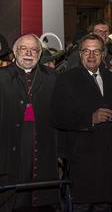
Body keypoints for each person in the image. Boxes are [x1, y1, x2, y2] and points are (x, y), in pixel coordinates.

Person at [51, 34, 112, 212]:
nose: (91, 56)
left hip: (108, 159)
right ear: (80, 54)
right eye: (86, 51)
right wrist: (90, 119)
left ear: (103, 54)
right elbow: (57, 116)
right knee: (81, 206)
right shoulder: (66, 79)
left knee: (105, 205)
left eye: (96, 51)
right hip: (81, 160)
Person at [0, 34, 59, 212]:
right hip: (10, 144)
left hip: (43, 145)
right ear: (14, 53)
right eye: (23, 49)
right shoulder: (1, 77)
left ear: (40, 54)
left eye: (34, 50)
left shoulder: (53, 78)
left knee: (40, 202)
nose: (28, 53)